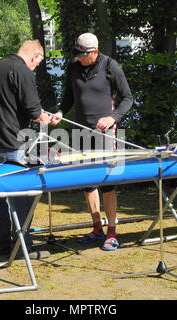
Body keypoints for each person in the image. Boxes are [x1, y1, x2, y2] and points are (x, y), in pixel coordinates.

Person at [50, 33, 133, 251]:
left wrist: (112, 118)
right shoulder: (74, 67)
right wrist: (61, 111)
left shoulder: (110, 66)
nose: (78, 58)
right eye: (76, 54)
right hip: (80, 132)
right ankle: (97, 228)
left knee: (108, 184)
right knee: (89, 183)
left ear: (94, 52)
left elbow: (128, 98)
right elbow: (69, 96)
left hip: (106, 134)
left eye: (82, 55)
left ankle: (112, 232)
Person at [0, 40, 52, 260]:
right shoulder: (23, 71)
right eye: (38, 62)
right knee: (22, 194)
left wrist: (39, 111)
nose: (36, 67)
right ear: (34, 56)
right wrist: (48, 118)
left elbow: (12, 103)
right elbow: (34, 112)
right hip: (12, 143)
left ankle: (1, 244)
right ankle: (23, 247)